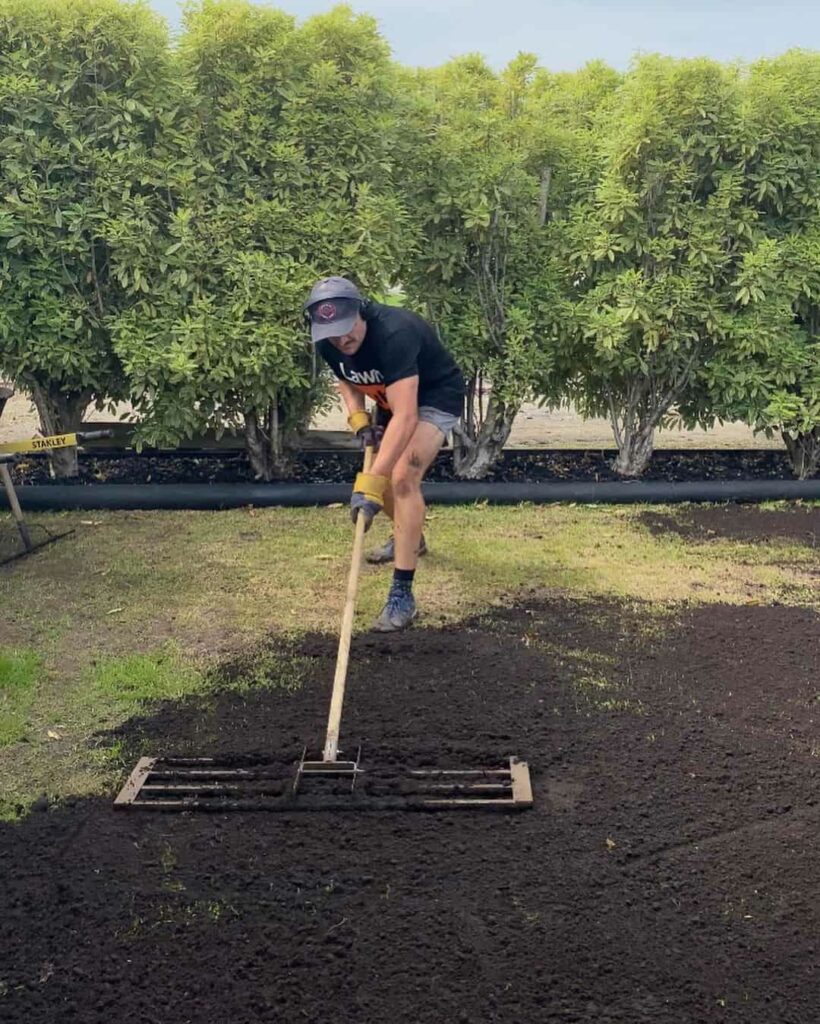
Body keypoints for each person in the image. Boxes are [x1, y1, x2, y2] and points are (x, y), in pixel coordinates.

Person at [304, 276, 465, 632]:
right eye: (332, 334)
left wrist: (371, 482)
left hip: (433, 397)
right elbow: (347, 378)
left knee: (401, 477)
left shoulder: (395, 333)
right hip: (391, 400)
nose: (342, 340)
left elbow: (408, 416)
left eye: (347, 330)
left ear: (360, 311)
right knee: (388, 474)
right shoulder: (329, 341)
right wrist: (359, 420)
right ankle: (411, 536)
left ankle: (402, 595)